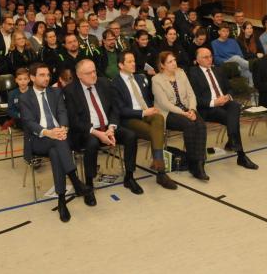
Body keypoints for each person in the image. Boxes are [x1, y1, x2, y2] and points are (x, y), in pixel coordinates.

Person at [64, 59, 144, 205]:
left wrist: (111, 128)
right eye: (89, 73)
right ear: (79, 75)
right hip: (86, 131)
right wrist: (97, 133)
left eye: (94, 71)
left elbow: (115, 108)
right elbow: (74, 121)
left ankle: (129, 177)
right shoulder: (70, 90)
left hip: (107, 127)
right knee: (92, 142)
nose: (93, 75)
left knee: (131, 136)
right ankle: (89, 185)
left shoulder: (104, 83)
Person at [18, 63, 91, 222]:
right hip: (39, 139)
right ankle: (75, 180)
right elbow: (29, 123)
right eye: (42, 75)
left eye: (48, 75)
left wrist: (63, 127)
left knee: (56, 152)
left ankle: (62, 200)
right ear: (32, 78)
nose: (46, 78)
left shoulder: (56, 92)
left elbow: (62, 111)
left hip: (58, 137)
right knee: (58, 143)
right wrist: (48, 132)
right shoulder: (24, 98)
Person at [112, 51, 177, 190]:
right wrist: (142, 112)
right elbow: (120, 110)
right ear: (121, 65)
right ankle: (161, 172)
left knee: (159, 118)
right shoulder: (115, 83)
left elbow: (147, 99)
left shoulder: (140, 78)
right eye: (129, 61)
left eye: (134, 60)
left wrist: (151, 109)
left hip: (146, 112)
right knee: (156, 132)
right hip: (130, 118)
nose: (134, 63)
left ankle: (159, 167)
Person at [189, 48, 258, 169]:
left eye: (210, 56)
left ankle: (233, 141)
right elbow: (194, 98)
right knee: (231, 118)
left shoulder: (218, 70)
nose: (209, 59)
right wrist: (213, 102)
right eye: (205, 57)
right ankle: (240, 154)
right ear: (197, 60)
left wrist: (228, 96)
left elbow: (230, 88)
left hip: (224, 102)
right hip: (207, 108)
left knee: (235, 106)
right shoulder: (193, 73)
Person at [152, 51, 209, 180]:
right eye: (170, 62)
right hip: (169, 113)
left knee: (201, 125)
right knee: (189, 124)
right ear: (162, 65)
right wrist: (184, 113)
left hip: (187, 109)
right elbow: (164, 103)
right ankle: (193, 162)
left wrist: (193, 110)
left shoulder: (181, 74)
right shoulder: (156, 80)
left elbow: (191, 94)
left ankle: (199, 164)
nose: (174, 63)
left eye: (174, 60)